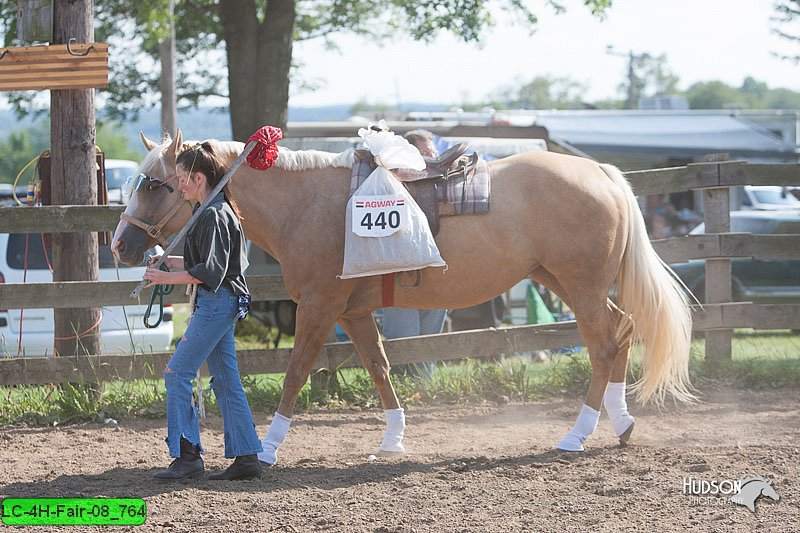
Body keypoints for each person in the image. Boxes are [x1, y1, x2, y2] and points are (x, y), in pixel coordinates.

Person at [144, 141, 263, 481]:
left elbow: (208, 273)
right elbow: (213, 265)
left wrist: (165, 276)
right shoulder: (214, 209)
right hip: (223, 299)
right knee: (225, 379)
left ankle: (187, 455)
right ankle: (246, 457)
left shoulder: (211, 213)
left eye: (182, 178)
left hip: (215, 302)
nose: (179, 185)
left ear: (198, 178)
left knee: (177, 373)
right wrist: (170, 261)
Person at [380, 129, 448, 378]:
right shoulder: (387, 182)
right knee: (403, 335)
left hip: (433, 271)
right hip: (400, 270)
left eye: (433, 152)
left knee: (429, 335)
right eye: (426, 153)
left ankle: (422, 385)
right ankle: (405, 385)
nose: (432, 157)